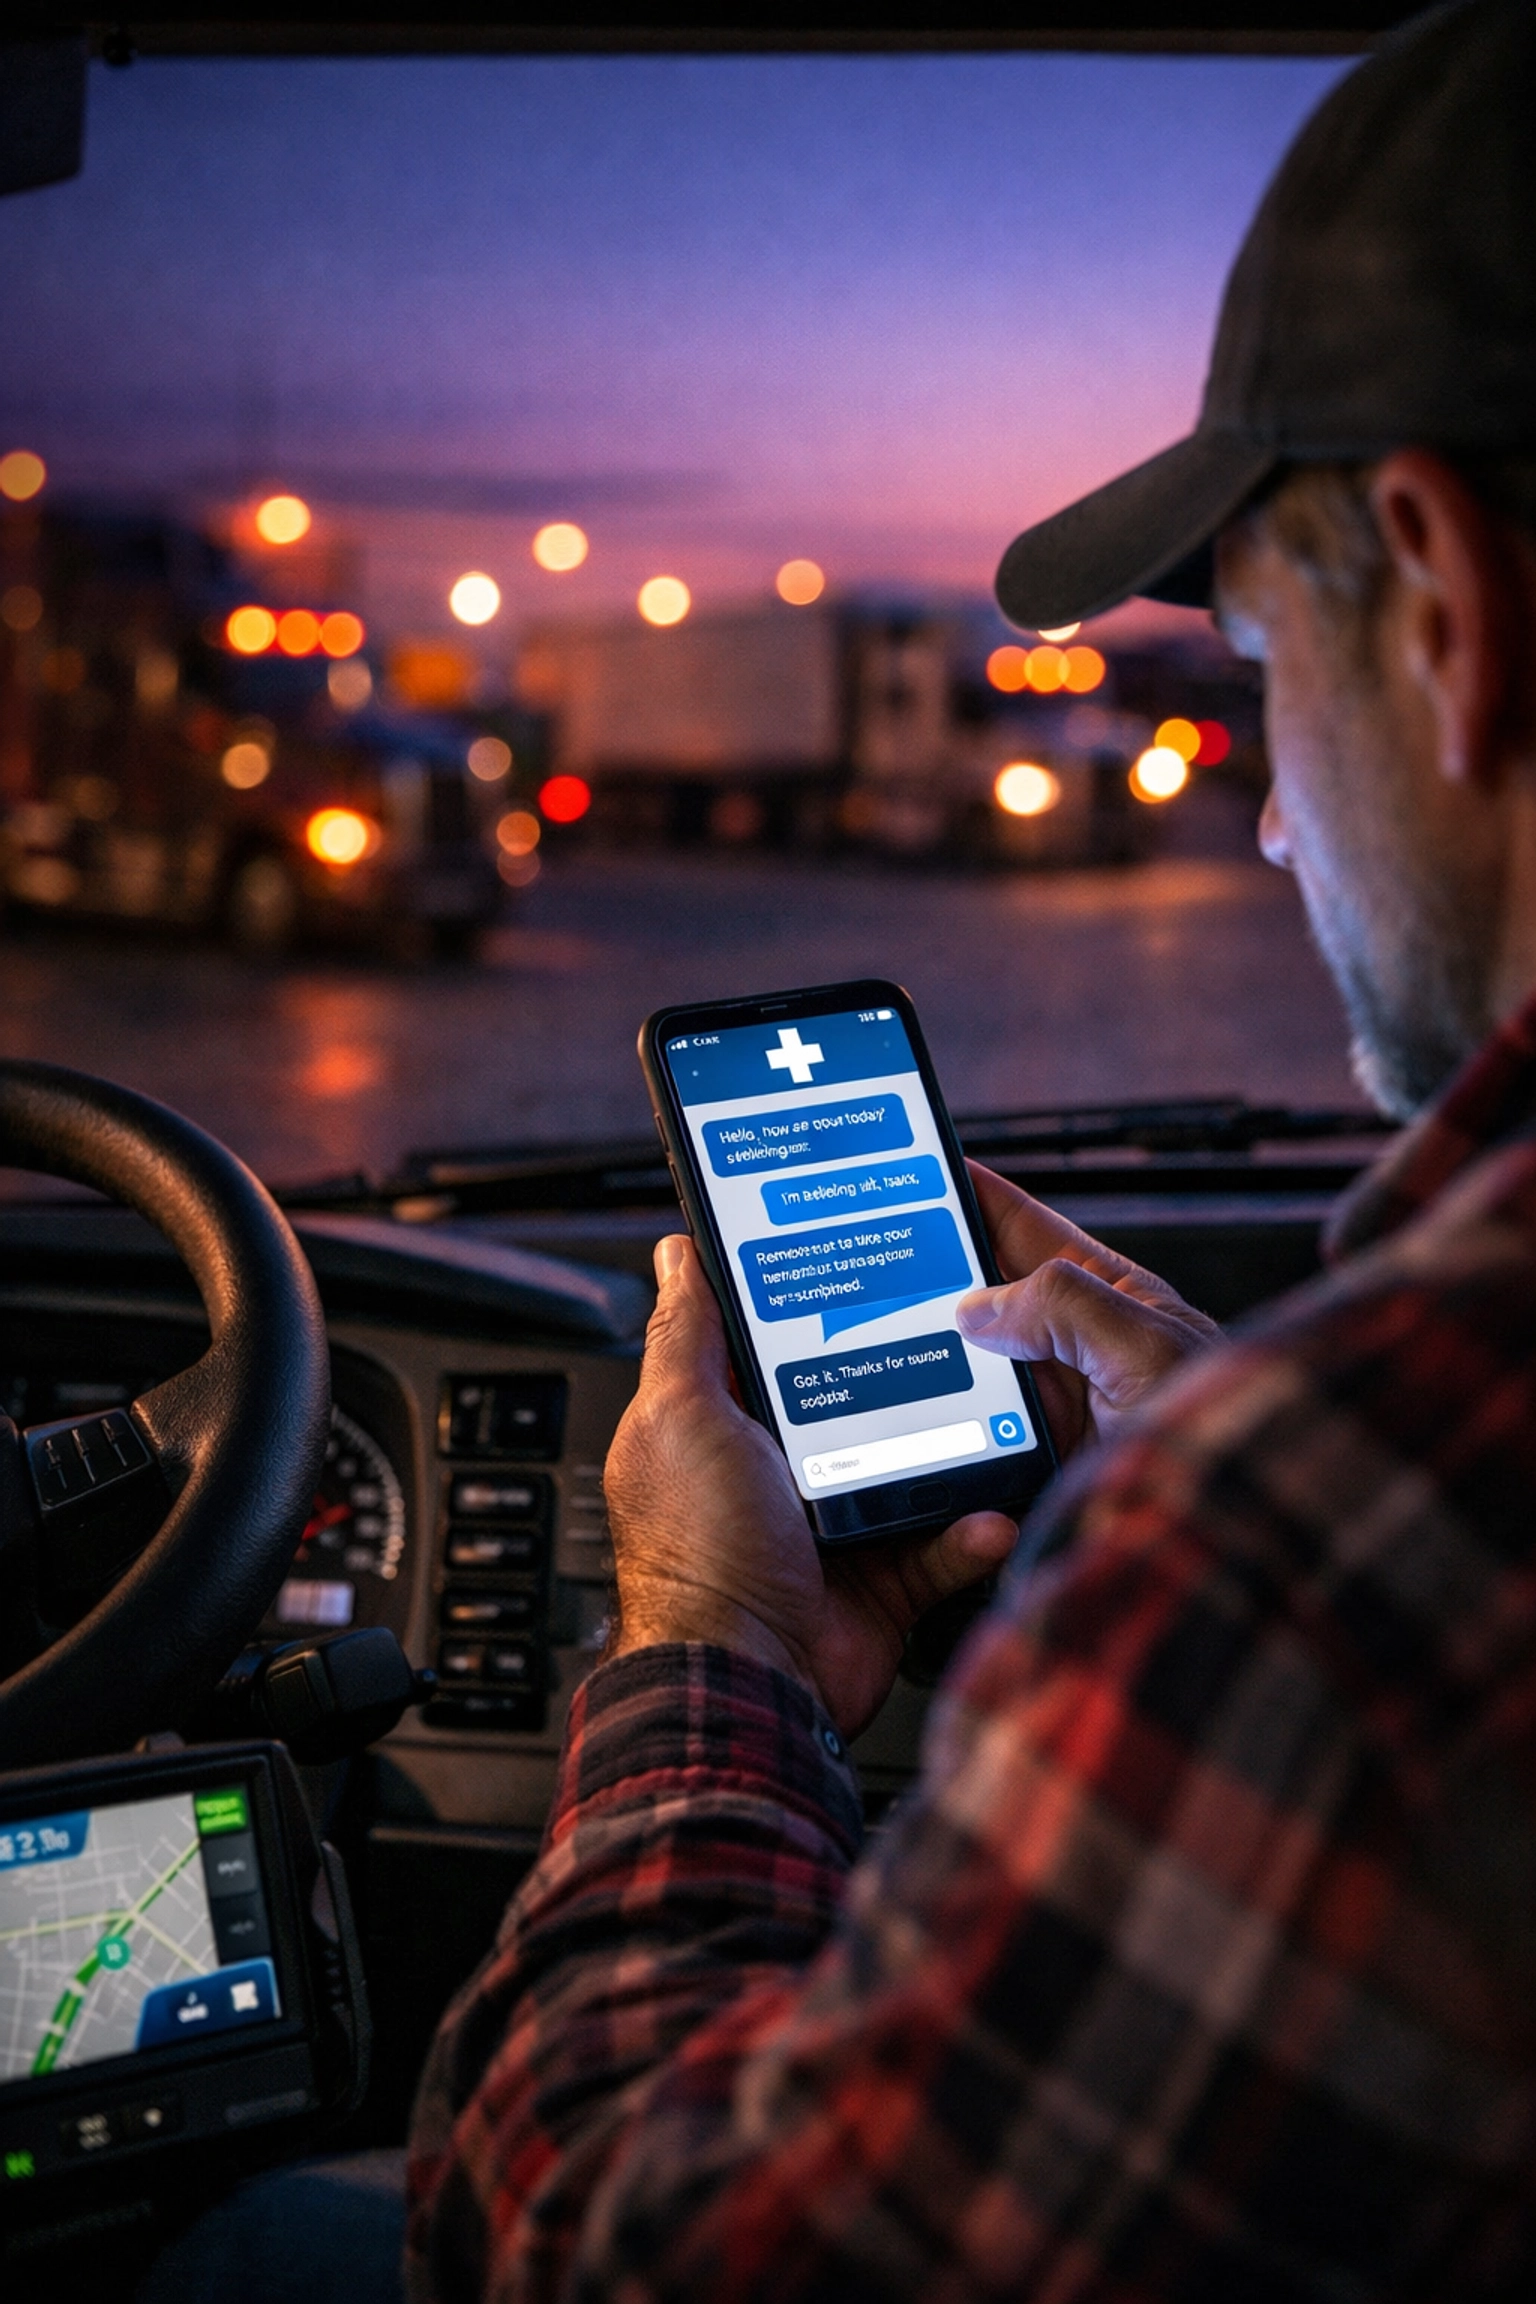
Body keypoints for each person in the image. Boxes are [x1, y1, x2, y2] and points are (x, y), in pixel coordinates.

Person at [406, 4, 1536, 2297]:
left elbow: (626, 2258)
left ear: (1446, 602)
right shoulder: (1348, 1503)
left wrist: (712, 1646)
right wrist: (1227, 1441)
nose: (1267, 810)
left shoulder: (1360, 1543)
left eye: (1248, 669)